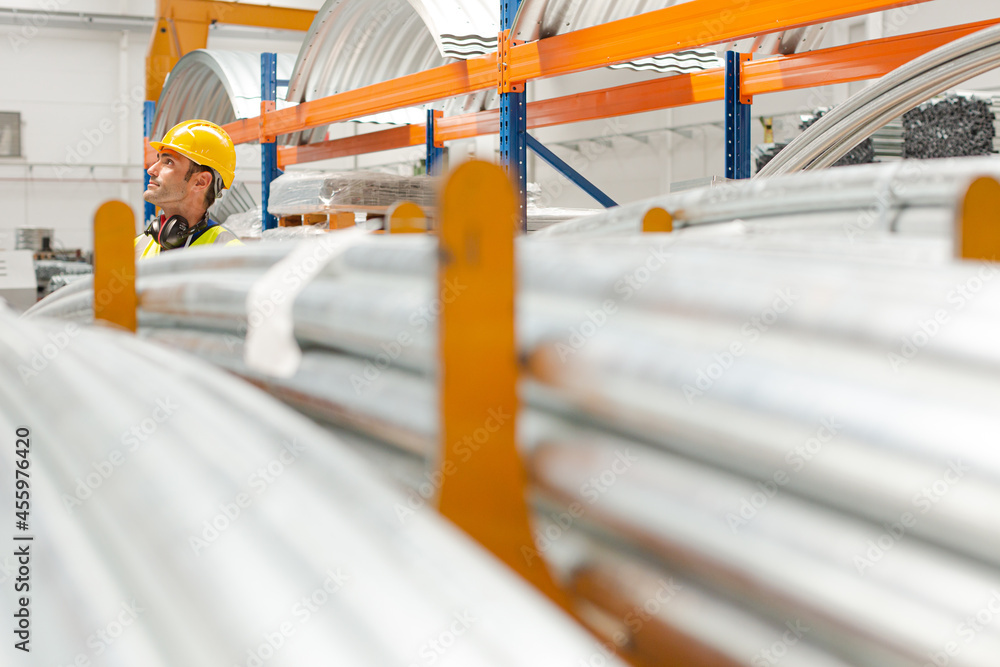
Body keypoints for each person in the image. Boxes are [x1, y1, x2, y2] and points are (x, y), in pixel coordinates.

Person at [135, 119, 243, 259]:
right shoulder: (136, 248)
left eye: (168, 162)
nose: (151, 170)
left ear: (200, 182)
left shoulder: (232, 255)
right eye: (158, 160)